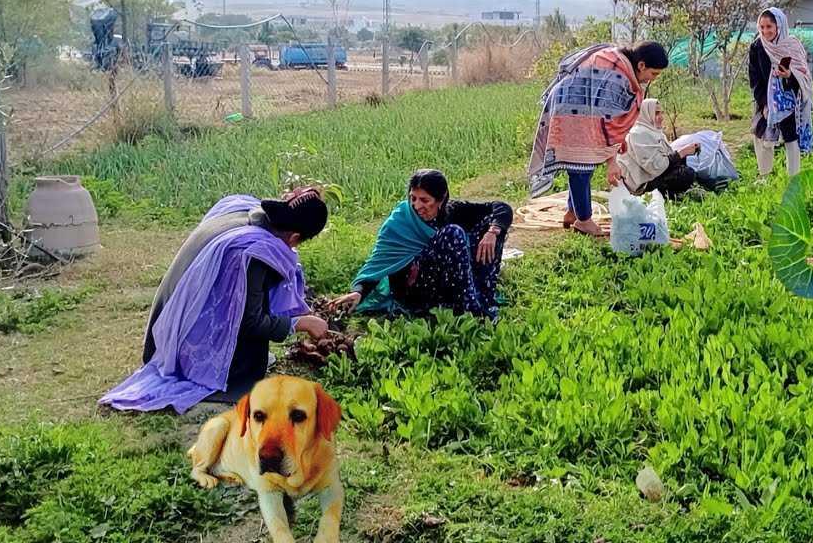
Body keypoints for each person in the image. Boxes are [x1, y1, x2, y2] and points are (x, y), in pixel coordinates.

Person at [100, 188, 331, 414]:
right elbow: (250, 322)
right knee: (251, 359)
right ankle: (215, 369)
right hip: (185, 342)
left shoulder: (240, 209)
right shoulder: (256, 251)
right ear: (295, 237)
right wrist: (301, 324)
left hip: (165, 326)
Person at [527, 41, 669, 236]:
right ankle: (583, 220)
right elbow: (604, 121)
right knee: (582, 163)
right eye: (654, 74)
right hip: (572, 109)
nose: (653, 79)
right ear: (642, 65)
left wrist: (616, 143)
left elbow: (610, 118)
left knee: (580, 162)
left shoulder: (621, 64)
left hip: (575, 105)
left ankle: (572, 212)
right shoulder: (617, 76)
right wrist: (612, 161)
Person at [333, 169, 510, 321]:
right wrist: (359, 292)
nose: (417, 206)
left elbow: (501, 208)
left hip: (448, 283)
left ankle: (481, 294)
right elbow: (380, 260)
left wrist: (492, 232)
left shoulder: (453, 211)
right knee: (453, 234)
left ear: (441, 200)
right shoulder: (400, 221)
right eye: (413, 198)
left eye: (424, 200)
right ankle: (470, 310)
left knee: (491, 224)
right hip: (414, 289)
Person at [748, 7, 813, 179]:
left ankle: (794, 177)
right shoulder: (757, 47)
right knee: (762, 137)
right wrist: (764, 103)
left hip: (789, 98)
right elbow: (755, 79)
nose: (765, 31)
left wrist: (789, 75)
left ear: (779, 26)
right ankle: (765, 177)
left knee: (791, 138)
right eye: (762, 27)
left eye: (769, 26)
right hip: (765, 99)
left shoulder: (791, 45)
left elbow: (803, 73)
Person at [616, 98, 699, 198]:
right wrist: (681, 153)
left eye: (661, 113)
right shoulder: (638, 134)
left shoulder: (652, 131)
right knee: (688, 173)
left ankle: (674, 192)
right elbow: (654, 167)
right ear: (646, 114)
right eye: (656, 113)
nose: (661, 117)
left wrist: (682, 154)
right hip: (642, 184)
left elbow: (666, 156)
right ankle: (665, 195)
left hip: (653, 174)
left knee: (682, 161)